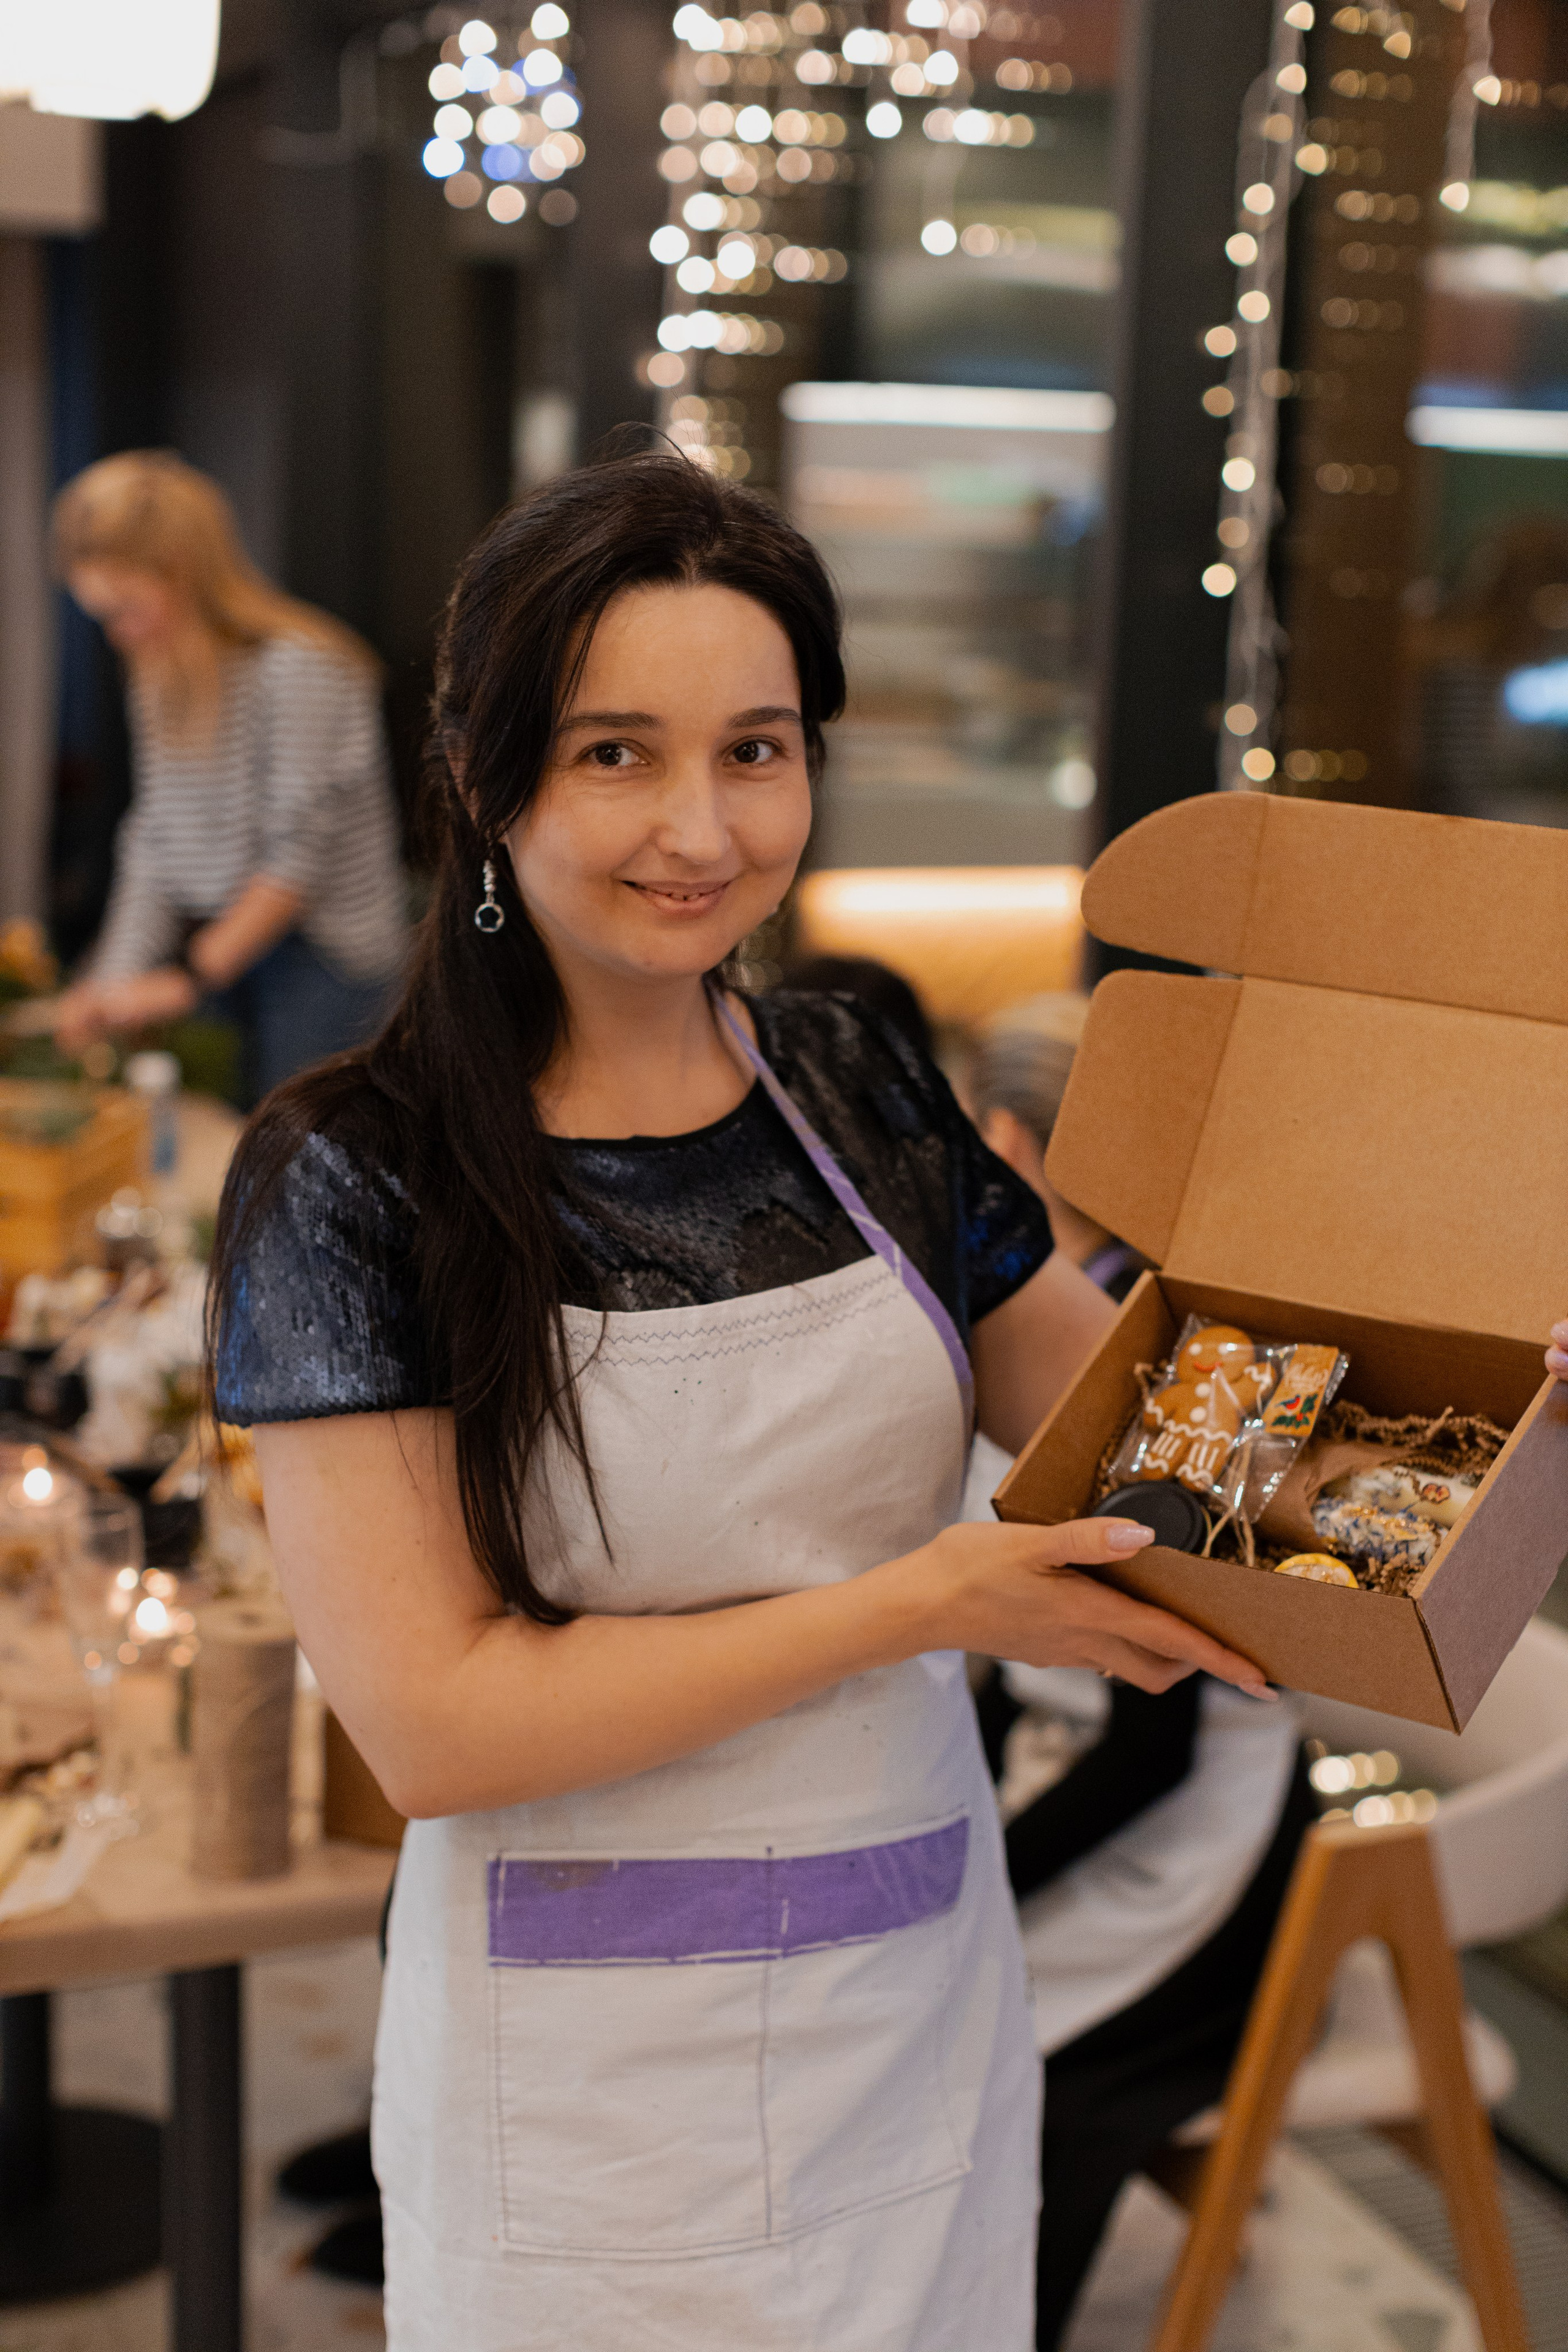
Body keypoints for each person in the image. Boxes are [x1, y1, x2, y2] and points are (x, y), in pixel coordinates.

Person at [208, 452, 1272, 2351]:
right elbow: (434, 1723)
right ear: (479, 772)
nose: (700, 828)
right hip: (584, 2102)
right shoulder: (354, 1179)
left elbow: (1126, 1426)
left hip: (912, 2005)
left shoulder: (858, 1080)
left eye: (757, 751)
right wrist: (920, 1603)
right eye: (615, 753)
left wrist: (1445, 1400)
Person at [958, 1003, 1311, 2351]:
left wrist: (978, 1883)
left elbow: (1154, 1741)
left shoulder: (1192, 1362)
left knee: (989, 2068)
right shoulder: (1074, 1317)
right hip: (1092, 1778)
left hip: (1192, 1834)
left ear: (1005, 1142)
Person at [50, 451, 407, 1107]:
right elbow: (155, 838)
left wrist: (185, 980)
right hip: (227, 945)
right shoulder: (159, 676)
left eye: (127, 609)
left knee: (298, 1141)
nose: (119, 636)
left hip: (325, 960)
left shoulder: (304, 669)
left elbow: (293, 865)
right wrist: (111, 981)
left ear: (182, 573)